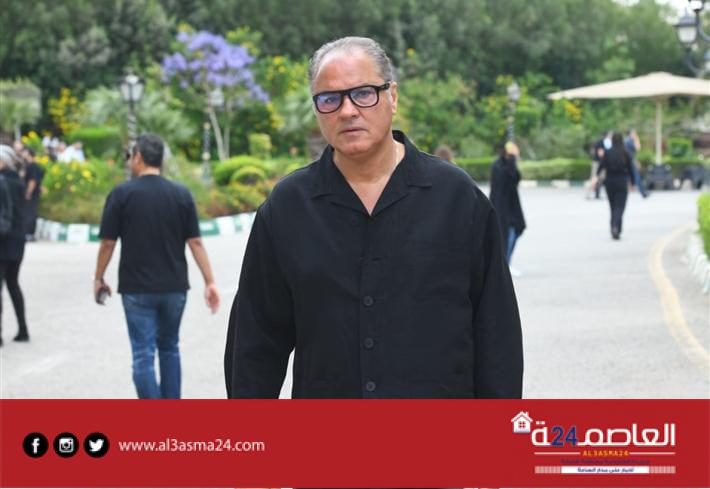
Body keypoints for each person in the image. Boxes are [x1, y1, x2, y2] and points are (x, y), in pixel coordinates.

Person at [225, 36, 523, 400]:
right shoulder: (287, 209)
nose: (347, 111)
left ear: (392, 96)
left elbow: (497, 335)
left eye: (363, 93)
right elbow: (254, 344)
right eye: (329, 99)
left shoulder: (457, 199)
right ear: (316, 108)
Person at [93, 133, 221, 398]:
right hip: (175, 288)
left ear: (138, 156)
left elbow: (107, 243)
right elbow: (195, 242)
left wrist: (99, 277)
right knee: (170, 348)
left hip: (137, 289)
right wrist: (210, 281)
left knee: (143, 354)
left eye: (130, 156)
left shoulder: (121, 194)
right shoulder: (181, 194)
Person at [0, 145, 30, 346]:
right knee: (13, 283)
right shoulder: (19, 182)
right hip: (17, 240)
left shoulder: (2, 181)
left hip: (3, 240)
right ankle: (23, 329)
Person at [489, 141, 526, 277]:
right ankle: (505, 266)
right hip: (501, 206)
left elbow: (515, 178)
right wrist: (512, 160)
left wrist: (512, 161)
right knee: (507, 236)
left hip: (512, 206)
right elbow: (508, 177)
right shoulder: (498, 165)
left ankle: (507, 263)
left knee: (515, 231)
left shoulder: (508, 164)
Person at [598, 132, 635, 240]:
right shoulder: (625, 152)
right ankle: (616, 227)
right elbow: (631, 169)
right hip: (621, 181)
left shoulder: (608, 152)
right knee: (620, 207)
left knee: (613, 206)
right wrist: (632, 183)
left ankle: (614, 227)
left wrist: (597, 176)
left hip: (609, 181)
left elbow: (601, 166)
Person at [20, 148, 44, 241]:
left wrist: (28, 192)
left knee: (29, 213)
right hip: (35, 193)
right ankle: (30, 234)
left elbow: (32, 180)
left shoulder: (31, 166)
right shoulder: (36, 166)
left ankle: (28, 233)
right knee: (32, 212)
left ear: (29, 154)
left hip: (31, 194)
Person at [625, 129, 648, 198]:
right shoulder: (629, 141)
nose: (635, 135)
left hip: (629, 161)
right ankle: (643, 193)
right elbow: (638, 148)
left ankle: (643, 192)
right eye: (634, 133)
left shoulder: (628, 140)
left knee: (631, 176)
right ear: (631, 134)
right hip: (630, 161)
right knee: (636, 176)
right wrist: (637, 139)